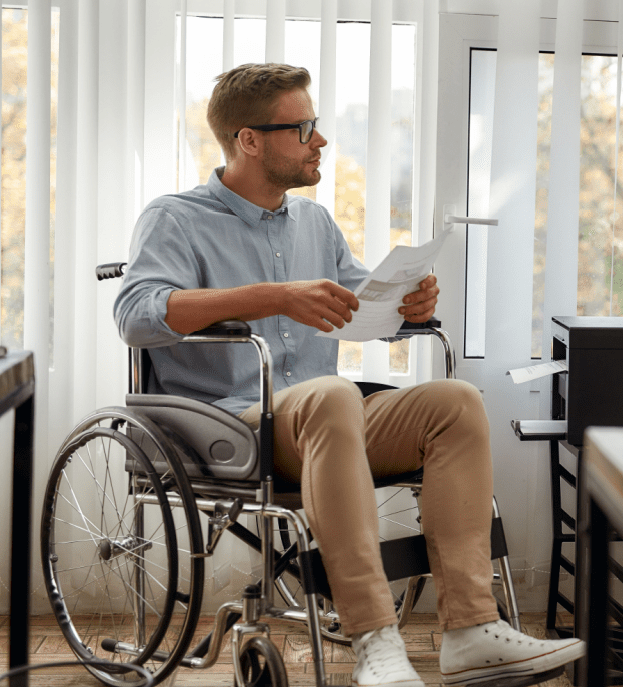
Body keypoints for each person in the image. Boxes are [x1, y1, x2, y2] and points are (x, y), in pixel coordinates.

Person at [115, 63, 584, 687]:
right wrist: (274, 296)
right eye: (303, 126)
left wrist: (411, 305)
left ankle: (470, 631)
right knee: (333, 395)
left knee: (456, 401)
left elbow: (364, 303)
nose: (321, 140)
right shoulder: (174, 218)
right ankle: (373, 638)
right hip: (228, 422)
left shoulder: (315, 224)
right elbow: (136, 314)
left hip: (324, 419)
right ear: (248, 139)